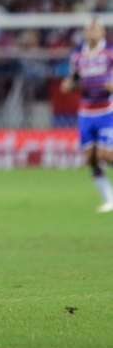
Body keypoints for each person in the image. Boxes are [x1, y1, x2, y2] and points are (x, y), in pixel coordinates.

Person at [61, 18, 113, 213]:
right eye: (89, 29)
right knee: (90, 159)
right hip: (86, 112)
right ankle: (109, 199)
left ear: (102, 32)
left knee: (106, 155)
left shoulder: (109, 52)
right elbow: (74, 78)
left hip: (106, 110)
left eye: (96, 29)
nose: (92, 32)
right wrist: (68, 85)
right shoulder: (77, 54)